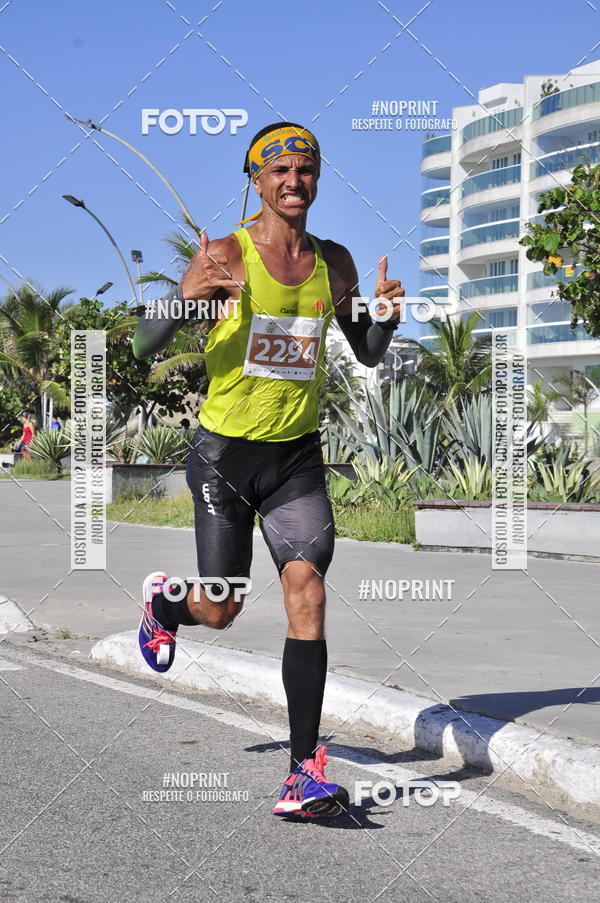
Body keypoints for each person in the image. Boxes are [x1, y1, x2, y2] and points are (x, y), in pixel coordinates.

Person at [133, 122, 404, 819]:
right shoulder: (225, 254)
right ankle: (165, 604)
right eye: (278, 169)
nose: (293, 181)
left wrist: (386, 320)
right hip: (224, 459)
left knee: (307, 592)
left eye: (305, 170)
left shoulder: (333, 265)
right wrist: (185, 295)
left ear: (317, 179)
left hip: (296, 459)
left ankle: (303, 772)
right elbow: (143, 342)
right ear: (255, 179)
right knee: (221, 609)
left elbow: (366, 351)